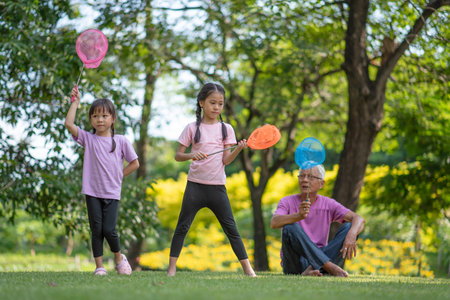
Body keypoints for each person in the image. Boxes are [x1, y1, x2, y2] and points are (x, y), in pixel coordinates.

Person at [167, 82, 256, 277]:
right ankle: (171, 269)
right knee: (182, 227)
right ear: (201, 103)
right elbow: (178, 156)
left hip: (217, 188)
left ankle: (248, 269)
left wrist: (238, 149)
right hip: (195, 187)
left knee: (231, 229)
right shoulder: (192, 128)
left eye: (220, 104)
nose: (216, 107)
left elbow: (226, 160)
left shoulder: (227, 129)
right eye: (212, 103)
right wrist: (192, 154)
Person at [65, 88, 140, 276]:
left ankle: (118, 258)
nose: (100, 119)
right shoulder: (88, 139)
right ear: (91, 119)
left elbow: (135, 163)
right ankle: (99, 266)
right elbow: (68, 123)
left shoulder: (121, 140)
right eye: (95, 116)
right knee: (96, 230)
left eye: (105, 115)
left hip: (112, 192)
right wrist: (75, 102)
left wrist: (119, 175)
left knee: (109, 229)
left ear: (113, 118)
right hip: (92, 192)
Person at [270, 164, 365, 277]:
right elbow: (274, 222)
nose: (305, 180)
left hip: (322, 255)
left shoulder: (328, 204)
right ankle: (329, 267)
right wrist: (298, 216)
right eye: (301, 176)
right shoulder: (286, 201)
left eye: (310, 177)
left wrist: (352, 235)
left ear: (322, 183)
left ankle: (314, 269)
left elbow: (359, 219)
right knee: (290, 227)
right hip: (295, 263)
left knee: (350, 227)